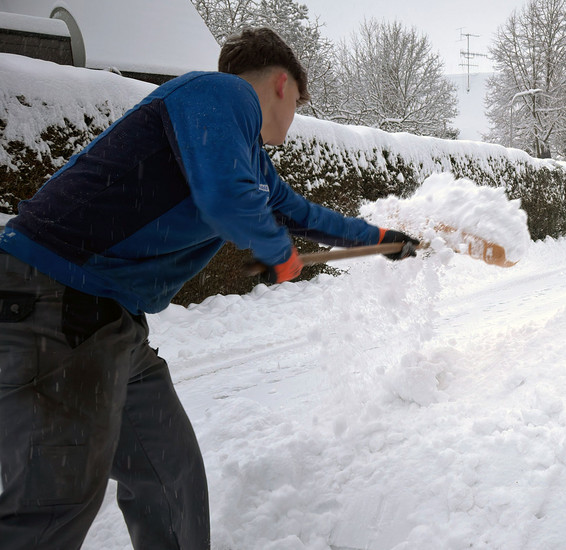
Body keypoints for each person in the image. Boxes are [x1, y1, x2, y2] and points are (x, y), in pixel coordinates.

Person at [0, 27, 418, 549]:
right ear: (283, 85)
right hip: (54, 299)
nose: (293, 119)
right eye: (298, 104)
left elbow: (301, 214)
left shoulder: (246, 155)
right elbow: (225, 198)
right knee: (52, 506)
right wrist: (278, 251)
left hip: (108, 322)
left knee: (168, 475)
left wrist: (381, 239)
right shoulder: (219, 92)